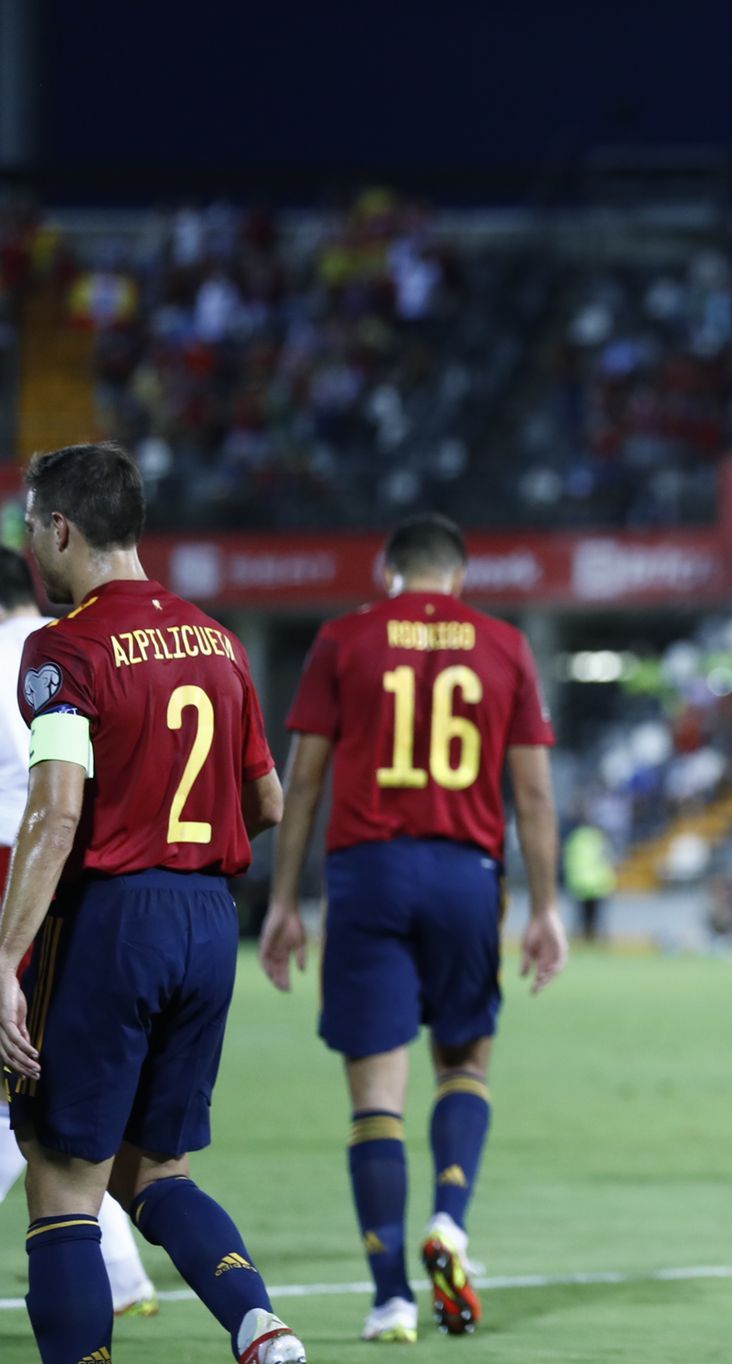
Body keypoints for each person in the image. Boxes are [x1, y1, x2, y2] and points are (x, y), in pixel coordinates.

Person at [0, 441, 305, 1364]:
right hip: (207, 925)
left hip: (111, 921)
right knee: (154, 1169)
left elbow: (54, 819)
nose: (28, 545)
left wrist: (1, 962)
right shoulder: (220, 641)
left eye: (29, 526)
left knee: (60, 1183)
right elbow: (271, 803)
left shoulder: (65, 650)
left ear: (60, 527)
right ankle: (258, 1323)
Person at [257, 513, 568, 1343]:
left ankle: (390, 1297)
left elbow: (306, 780)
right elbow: (533, 795)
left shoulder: (343, 639)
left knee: (375, 1102)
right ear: (458, 578)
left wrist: (285, 900)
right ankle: (452, 1221)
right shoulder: (503, 644)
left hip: (368, 876)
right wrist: (545, 906)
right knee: (464, 1060)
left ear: (390, 574)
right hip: (466, 875)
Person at [0, 547, 161, 1320]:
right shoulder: (76, 641)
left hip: (21, 869)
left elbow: (50, 802)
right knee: (73, 1091)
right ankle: (127, 1274)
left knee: (24, 1083)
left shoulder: (52, 653)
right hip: (102, 885)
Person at [563, 816, 617, 942]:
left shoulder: (575, 838)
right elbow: (608, 861)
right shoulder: (599, 839)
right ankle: (597, 939)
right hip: (598, 885)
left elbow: (569, 861)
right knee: (598, 917)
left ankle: (580, 939)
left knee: (580, 917)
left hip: (579, 884)